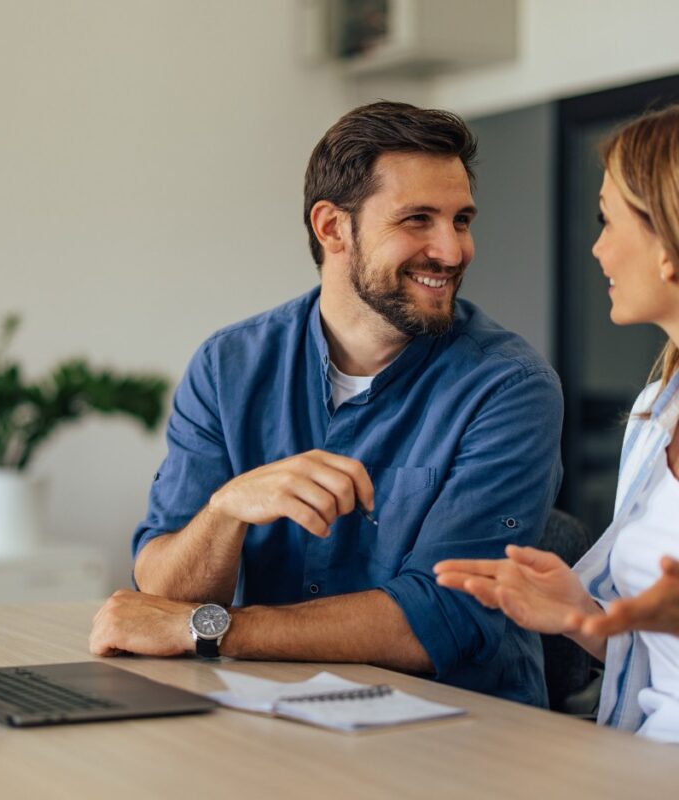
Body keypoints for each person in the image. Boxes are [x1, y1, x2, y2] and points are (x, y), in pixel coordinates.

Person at [89, 101, 563, 705]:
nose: (452, 250)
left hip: (455, 733)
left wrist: (209, 631)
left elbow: (444, 620)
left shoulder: (509, 387)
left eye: (462, 220)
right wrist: (227, 511)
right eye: (418, 219)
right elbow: (161, 585)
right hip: (268, 712)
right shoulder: (227, 366)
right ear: (332, 227)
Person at [435, 105, 679, 742]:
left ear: (669, 241)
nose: (596, 247)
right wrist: (578, 617)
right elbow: (654, 667)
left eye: (607, 219)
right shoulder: (659, 412)